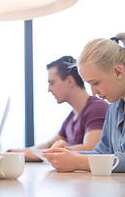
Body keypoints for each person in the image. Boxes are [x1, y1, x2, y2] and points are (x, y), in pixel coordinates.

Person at [43, 33, 125, 173]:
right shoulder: (113, 108)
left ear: (118, 72)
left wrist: (78, 162)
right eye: (89, 85)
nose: (93, 92)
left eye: (96, 83)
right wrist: (67, 155)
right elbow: (102, 152)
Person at [9, 56, 108, 161]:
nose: (49, 89)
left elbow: (91, 149)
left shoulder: (97, 108)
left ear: (70, 81)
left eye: (52, 82)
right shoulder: (72, 117)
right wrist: (24, 152)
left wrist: (42, 154)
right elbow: (49, 144)